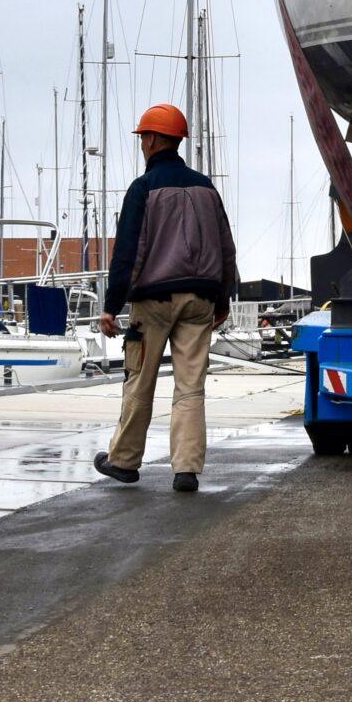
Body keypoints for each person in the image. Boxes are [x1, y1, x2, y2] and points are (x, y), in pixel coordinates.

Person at [94, 103, 239, 493]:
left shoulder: (143, 189)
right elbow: (226, 248)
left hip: (154, 302)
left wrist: (111, 305)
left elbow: (128, 253)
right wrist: (223, 299)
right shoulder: (207, 188)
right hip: (201, 300)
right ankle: (186, 470)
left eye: (143, 137)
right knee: (190, 386)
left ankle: (124, 461)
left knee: (139, 380)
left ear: (154, 139)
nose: (142, 143)